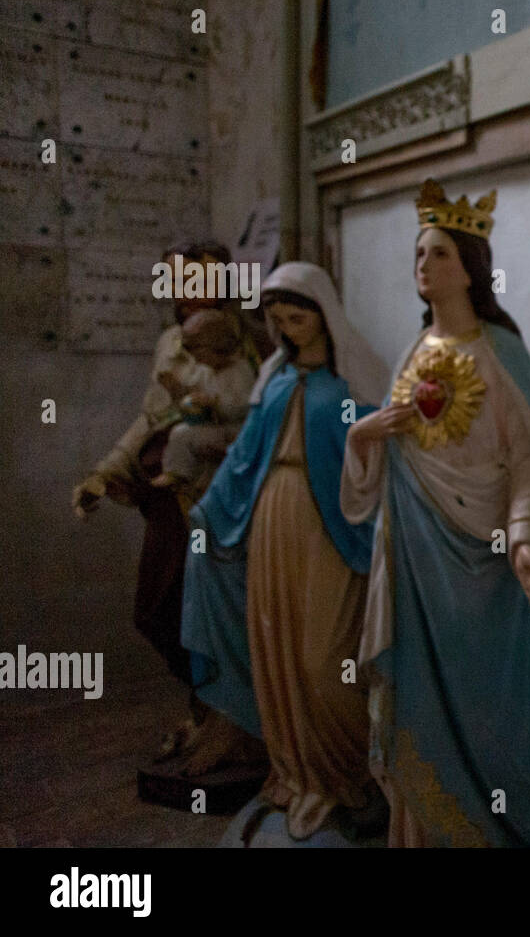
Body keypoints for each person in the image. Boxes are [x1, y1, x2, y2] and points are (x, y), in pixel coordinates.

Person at [340, 180, 530, 847]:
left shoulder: (501, 353)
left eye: (438, 252)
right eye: (418, 254)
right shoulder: (414, 355)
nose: (423, 265)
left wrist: (528, 540)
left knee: (491, 720)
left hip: (489, 571)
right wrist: (363, 440)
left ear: (470, 265)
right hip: (415, 565)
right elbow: (384, 475)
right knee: (418, 702)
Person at [180, 262, 391, 839]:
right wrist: (206, 514)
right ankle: (295, 775)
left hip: (331, 526)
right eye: (277, 320)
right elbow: (244, 457)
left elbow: (379, 457)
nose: (289, 329)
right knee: (277, 652)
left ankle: (343, 778)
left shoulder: (354, 381)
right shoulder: (273, 381)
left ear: (323, 313)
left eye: (298, 316)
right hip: (272, 519)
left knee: (325, 661)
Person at [72, 241, 262, 760]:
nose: (185, 296)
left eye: (196, 283)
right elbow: (151, 419)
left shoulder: (254, 344)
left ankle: (238, 724)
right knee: (157, 611)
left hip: (225, 504)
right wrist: (107, 470)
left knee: (224, 615)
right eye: (178, 285)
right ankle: (208, 706)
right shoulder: (172, 344)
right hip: (168, 503)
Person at [151, 310, 256, 494]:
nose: (195, 357)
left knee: (190, 436)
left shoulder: (239, 371)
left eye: (198, 349)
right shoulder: (204, 370)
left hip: (237, 432)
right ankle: (177, 473)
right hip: (214, 427)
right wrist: (176, 388)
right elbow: (191, 389)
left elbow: (243, 408)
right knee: (180, 432)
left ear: (218, 345)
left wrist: (214, 403)